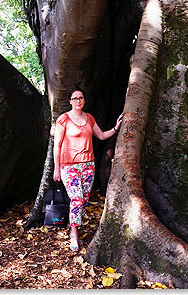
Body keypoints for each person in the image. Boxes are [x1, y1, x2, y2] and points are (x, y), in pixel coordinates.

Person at [53, 86, 123, 252]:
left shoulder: (89, 118)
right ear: (70, 101)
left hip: (88, 166)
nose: (78, 101)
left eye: (81, 98)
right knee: (76, 199)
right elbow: (57, 146)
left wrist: (116, 127)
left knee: (83, 200)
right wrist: (57, 169)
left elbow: (101, 135)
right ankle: (74, 233)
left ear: (84, 100)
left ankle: (76, 223)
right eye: (75, 98)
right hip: (69, 167)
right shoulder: (63, 120)